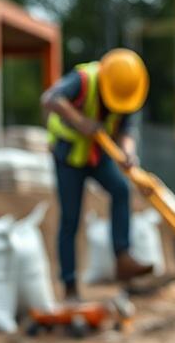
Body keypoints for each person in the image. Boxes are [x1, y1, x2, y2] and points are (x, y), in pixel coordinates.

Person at [42, 48, 153, 301]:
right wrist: (80, 121)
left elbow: (126, 130)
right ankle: (69, 285)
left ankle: (123, 257)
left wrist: (128, 153)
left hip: (97, 155)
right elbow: (50, 98)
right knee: (71, 218)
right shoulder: (83, 80)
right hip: (69, 156)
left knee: (121, 190)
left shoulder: (126, 91)